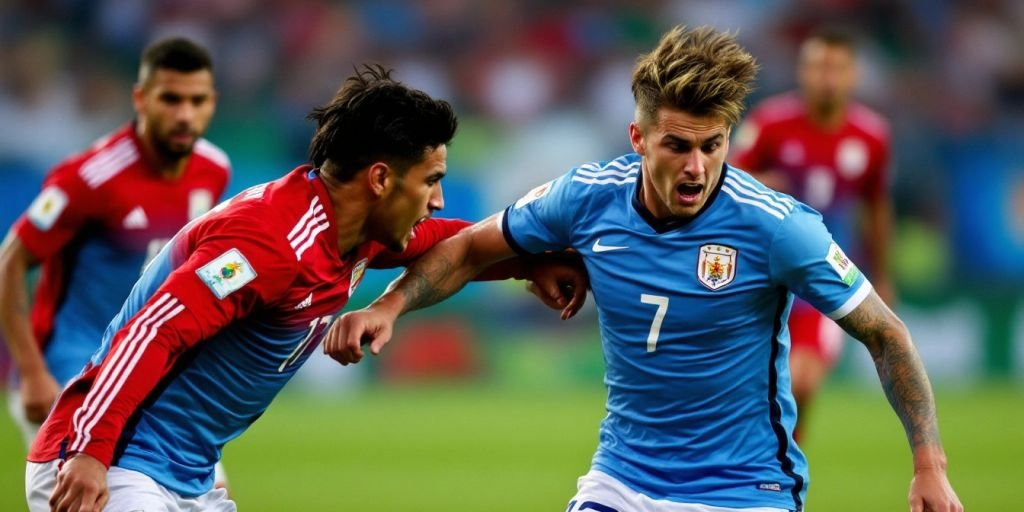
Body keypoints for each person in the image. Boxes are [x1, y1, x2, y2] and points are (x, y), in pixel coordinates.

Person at [326, 26, 962, 512]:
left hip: (744, 488)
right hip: (623, 480)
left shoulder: (777, 227)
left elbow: (886, 332)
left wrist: (928, 464)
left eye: (712, 146)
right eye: (677, 145)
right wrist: (387, 306)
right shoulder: (587, 197)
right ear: (638, 139)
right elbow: (468, 248)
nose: (696, 166)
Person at [26, 64, 586, 512]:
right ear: (382, 179)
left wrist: (526, 264)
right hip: (111, 462)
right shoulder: (266, 245)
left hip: (186, 473)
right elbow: (152, 334)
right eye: (431, 181)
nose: (437, 199)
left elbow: (451, 243)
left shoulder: (355, 229)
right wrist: (90, 454)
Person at [0, 38, 229, 450]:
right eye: (170, 99)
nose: (184, 114)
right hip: (70, 368)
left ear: (213, 102)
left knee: (212, 495)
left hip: (147, 363)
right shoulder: (89, 178)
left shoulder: (213, 170)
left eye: (197, 101)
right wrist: (31, 372)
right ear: (140, 99)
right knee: (94, 493)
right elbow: (9, 262)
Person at [730, 30, 894, 440]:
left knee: (801, 383)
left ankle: (780, 464)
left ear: (853, 75)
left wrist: (883, 274)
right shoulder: (770, 123)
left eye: (837, 68)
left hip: (824, 272)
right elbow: (728, 179)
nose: (828, 78)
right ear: (803, 72)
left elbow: (875, 206)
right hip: (762, 269)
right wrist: (766, 181)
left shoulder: (871, 136)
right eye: (819, 67)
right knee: (750, 386)